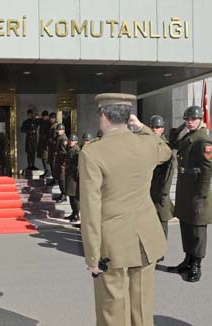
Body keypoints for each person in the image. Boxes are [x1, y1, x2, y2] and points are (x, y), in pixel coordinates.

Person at [79, 93, 172, 326]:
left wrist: (92, 255)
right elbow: (166, 150)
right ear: (128, 116)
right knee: (141, 308)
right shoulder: (146, 144)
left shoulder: (92, 153)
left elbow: (91, 208)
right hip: (146, 239)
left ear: (103, 115)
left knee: (112, 309)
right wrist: (142, 128)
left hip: (112, 243)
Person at [167, 106, 212, 282]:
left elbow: (208, 171)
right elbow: (173, 144)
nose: (190, 122)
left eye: (193, 119)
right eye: (187, 119)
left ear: (201, 120)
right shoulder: (189, 136)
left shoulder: (203, 141)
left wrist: (201, 195)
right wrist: (178, 129)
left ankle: (196, 265)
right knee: (186, 225)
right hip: (185, 190)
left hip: (197, 191)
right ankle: (188, 259)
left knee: (198, 229)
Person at [148, 115, 175, 243]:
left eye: (157, 127)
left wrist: (164, 193)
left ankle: (161, 248)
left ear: (162, 129)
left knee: (161, 220)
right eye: (152, 127)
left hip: (160, 189)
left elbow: (169, 173)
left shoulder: (166, 146)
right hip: (148, 189)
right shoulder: (146, 144)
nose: (154, 129)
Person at [64, 134, 80, 222]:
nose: (71, 142)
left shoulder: (76, 150)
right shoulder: (70, 149)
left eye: (73, 141)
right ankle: (73, 213)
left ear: (76, 142)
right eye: (70, 140)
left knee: (74, 196)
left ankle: (76, 214)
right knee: (71, 195)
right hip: (69, 175)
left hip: (73, 176)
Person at [53, 123, 68, 203]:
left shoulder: (63, 139)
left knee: (62, 179)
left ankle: (64, 195)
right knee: (59, 179)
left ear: (63, 130)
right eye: (58, 129)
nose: (58, 131)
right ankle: (62, 193)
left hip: (62, 162)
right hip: (58, 161)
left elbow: (65, 152)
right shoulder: (58, 137)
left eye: (60, 130)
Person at [36, 110, 51, 176]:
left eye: (45, 116)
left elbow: (49, 133)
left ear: (47, 116)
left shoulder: (49, 123)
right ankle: (46, 170)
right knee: (43, 157)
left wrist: (45, 136)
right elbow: (37, 120)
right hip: (42, 142)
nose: (44, 117)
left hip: (46, 143)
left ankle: (48, 171)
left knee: (45, 158)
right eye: (43, 116)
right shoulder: (42, 122)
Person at [47, 112, 59, 185]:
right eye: (50, 118)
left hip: (54, 149)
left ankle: (55, 180)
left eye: (53, 118)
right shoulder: (52, 125)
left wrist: (51, 140)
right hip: (51, 148)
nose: (51, 119)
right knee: (52, 164)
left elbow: (55, 138)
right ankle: (54, 179)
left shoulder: (55, 126)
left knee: (54, 165)